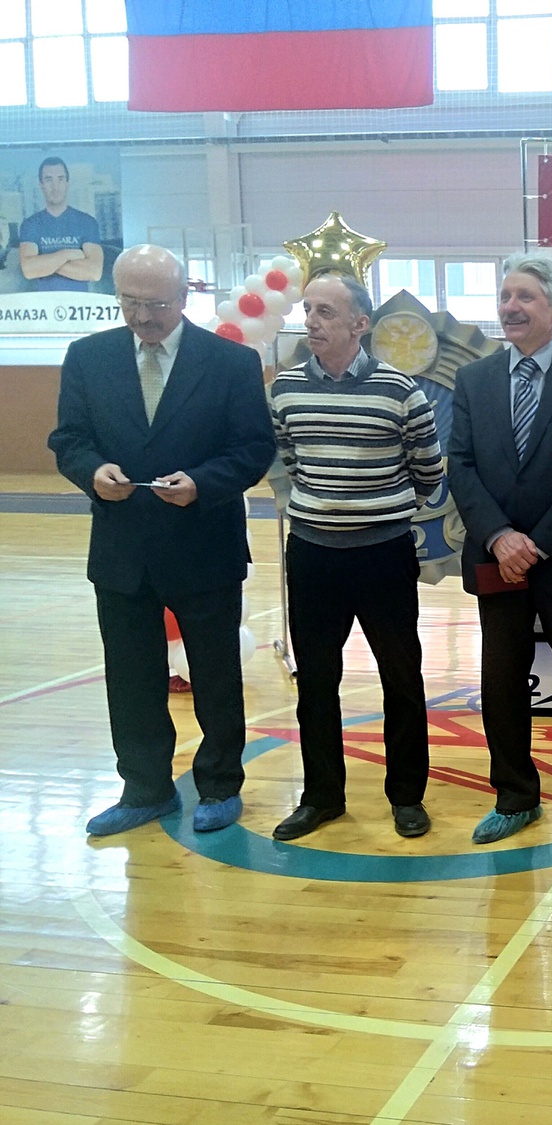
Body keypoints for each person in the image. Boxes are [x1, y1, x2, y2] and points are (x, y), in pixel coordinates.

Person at [48, 245, 276, 836]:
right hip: (122, 550)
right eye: (130, 302)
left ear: (183, 297)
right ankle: (144, 788)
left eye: (156, 304)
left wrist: (202, 483)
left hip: (204, 546)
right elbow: (68, 440)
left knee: (216, 677)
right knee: (130, 679)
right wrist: (92, 472)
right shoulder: (88, 357)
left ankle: (220, 785)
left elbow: (254, 448)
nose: (143, 316)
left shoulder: (230, 362)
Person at [447, 255, 552, 854]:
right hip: (496, 559)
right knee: (500, 683)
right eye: (505, 296)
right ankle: (515, 797)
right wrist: (500, 537)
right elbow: (461, 466)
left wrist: (536, 544)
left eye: (525, 297)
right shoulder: (473, 380)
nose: (510, 307)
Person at [268, 273, 443, 841]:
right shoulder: (285, 389)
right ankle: (322, 797)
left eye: (326, 311)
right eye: (307, 309)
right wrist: (327, 504)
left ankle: (407, 797)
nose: (311, 321)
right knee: (316, 682)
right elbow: (289, 460)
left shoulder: (400, 390)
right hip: (312, 555)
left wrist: (374, 509)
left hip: (383, 555)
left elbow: (428, 472)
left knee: (402, 678)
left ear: (359, 324)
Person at [19, 157, 104, 292]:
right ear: (41, 185)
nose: (55, 187)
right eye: (49, 180)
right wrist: (67, 254)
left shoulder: (87, 222)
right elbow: (29, 270)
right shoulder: (31, 225)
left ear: (67, 183)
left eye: (60, 179)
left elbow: (94, 272)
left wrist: (44, 264)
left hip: (80, 303)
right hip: (43, 303)